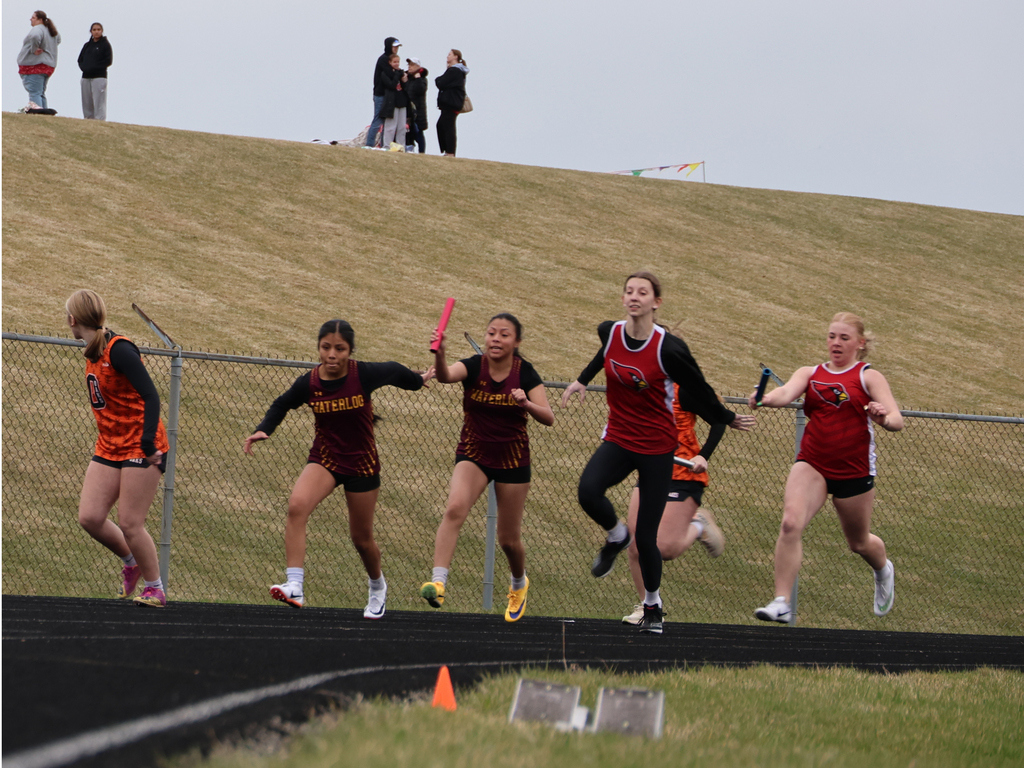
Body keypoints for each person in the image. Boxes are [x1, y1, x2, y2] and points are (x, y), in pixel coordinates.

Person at [560, 272, 743, 635]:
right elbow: (605, 352)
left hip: (659, 450)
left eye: (642, 292)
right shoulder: (609, 331)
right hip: (621, 438)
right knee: (588, 491)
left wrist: (726, 417)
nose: (634, 296)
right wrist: (582, 378)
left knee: (650, 541)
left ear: (656, 302)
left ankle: (653, 606)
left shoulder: (670, 351)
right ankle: (615, 535)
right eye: (629, 290)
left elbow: (703, 390)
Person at [244, 320, 433, 619]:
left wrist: (418, 380)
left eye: (339, 349)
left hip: (361, 464)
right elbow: (281, 404)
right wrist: (263, 429)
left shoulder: (363, 374)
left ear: (350, 351)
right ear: (319, 348)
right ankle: (295, 585)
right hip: (326, 459)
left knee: (361, 538)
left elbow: (395, 370)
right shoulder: (309, 383)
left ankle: (377, 587)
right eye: (325, 347)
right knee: (296, 507)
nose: (332, 354)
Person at [750, 312, 903, 624]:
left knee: (858, 543)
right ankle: (781, 601)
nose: (836, 343)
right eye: (832, 336)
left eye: (844, 338)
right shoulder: (811, 373)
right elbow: (785, 393)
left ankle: (883, 569)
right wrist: (764, 398)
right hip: (813, 464)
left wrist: (882, 417)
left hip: (853, 470)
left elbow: (896, 421)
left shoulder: (868, 377)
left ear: (860, 344)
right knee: (791, 523)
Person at [420, 313, 554, 622]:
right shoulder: (472, 366)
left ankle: (519, 584)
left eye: (504, 334)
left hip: (512, 459)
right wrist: (440, 356)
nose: (496, 338)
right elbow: (444, 376)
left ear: (516, 342)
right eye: (491, 333)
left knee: (508, 539)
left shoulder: (525, 374)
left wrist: (526, 404)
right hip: (474, 453)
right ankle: (438, 583)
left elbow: (548, 417)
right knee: (454, 508)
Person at [66, 289, 170, 607]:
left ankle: (155, 588)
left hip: (142, 443)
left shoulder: (119, 349)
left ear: (72, 320)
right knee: (90, 517)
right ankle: (131, 562)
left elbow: (151, 396)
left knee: (130, 522)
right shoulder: (92, 351)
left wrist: (148, 439)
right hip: (110, 444)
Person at [621, 385, 754, 624]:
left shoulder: (682, 389)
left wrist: (703, 455)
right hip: (651, 471)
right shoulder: (641, 384)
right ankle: (647, 606)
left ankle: (698, 525)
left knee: (666, 549)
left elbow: (719, 420)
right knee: (635, 544)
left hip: (683, 474)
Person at [18, 10, 61, 110]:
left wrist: (34, 49)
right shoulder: (50, 30)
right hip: (48, 66)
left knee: (34, 92)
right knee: (40, 92)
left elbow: (35, 36)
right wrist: (48, 47)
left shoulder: (38, 29)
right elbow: (58, 39)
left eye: (33, 18)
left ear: (40, 20)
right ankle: (44, 113)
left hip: (35, 65)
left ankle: (37, 112)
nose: (30, 19)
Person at [366, 37, 401, 148]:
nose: (396, 49)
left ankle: (382, 144)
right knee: (378, 120)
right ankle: (369, 144)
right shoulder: (384, 59)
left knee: (386, 122)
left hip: (388, 95)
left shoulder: (391, 59)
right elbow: (390, 75)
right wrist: (398, 73)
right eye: (394, 46)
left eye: (397, 47)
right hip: (380, 94)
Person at [434, 49, 468, 156]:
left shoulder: (455, 71)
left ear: (456, 57)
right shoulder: (453, 70)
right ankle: (446, 150)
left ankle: (450, 152)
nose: (447, 57)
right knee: (441, 125)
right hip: (449, 104)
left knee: (448, 126)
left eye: (449, 55)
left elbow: (440, 82)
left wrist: (439, 79)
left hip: (451, 103)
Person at [78, 22, 112, 120]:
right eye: (94, 30)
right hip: (86, 77)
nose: (96, 32)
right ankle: (88, 120)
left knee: (99, 102)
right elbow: (80, 59)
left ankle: (99, 121)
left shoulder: (105, 44)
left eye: (98, 30)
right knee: (87, 102)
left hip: (99, 77)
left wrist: (95, 67)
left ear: (102, 31)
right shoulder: (87, 46)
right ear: (91, 31)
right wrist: (85, 68)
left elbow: (108, 60)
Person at [379, 53, 409, 149]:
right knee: (390, 127)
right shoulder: (385, 74)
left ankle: (401, 146)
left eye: (398, 62)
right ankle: (387, 145)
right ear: (390, 62)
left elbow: (406, 88)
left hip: (402, 102)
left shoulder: (401, 73)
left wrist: (404, 80)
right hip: (391, 103)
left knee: (402, 127)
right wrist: (397, 75)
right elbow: (391, 85)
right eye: (394, 62)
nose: (396, 64)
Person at [404, 58, 429, 154]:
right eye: (409, 64)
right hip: (408, 111)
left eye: (412, 64)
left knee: (418, 132)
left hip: (418, 111)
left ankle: (422, 152)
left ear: (418, 67)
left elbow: (421, 90)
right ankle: (409, 149)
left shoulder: (422, 79)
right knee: (408, 132)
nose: (409, 66)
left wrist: (418, 78)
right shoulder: (407, 78)